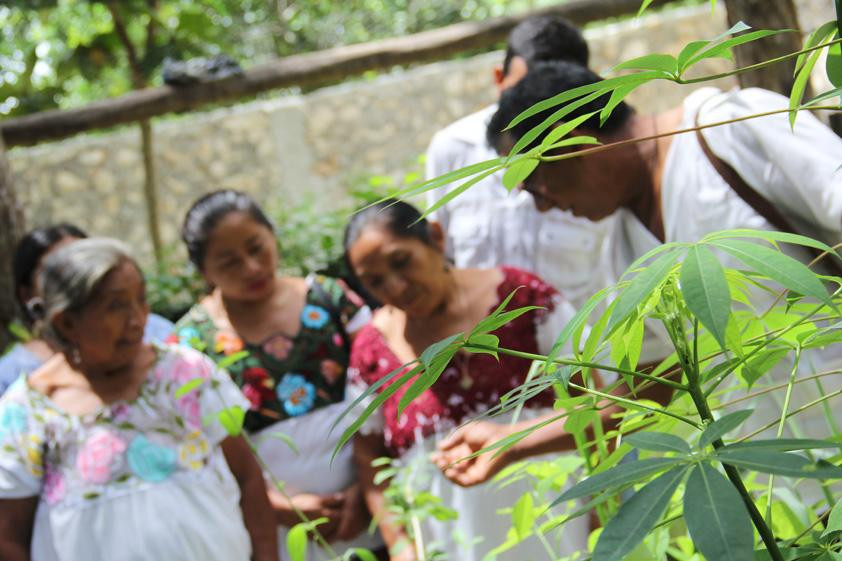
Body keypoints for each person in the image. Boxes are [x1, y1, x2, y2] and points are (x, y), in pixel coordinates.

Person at [437, 59, 842, 488]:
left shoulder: (730, 126)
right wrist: (513, 440)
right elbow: (649, 388)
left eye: (533, 186)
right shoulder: (620, 251)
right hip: (789, 481)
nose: (542, 207)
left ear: (572, 146)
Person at [0, 237, 278, 561]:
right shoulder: (29, 410)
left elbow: (247, 478)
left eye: (141, 299)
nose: (137, 320)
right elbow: (9, 537)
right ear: (68, 321)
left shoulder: (184, 372)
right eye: (116, 306)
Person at [343, 199, 589, 561]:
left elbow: (593, 405)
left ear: (436, 238)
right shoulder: (371, 351)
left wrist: (603, 503)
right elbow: (368, 458)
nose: (395, 287)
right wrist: (400, 545)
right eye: (374, 282)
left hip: (562, 531)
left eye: (401, 262)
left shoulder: (521, 299)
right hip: (452, 546)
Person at [173, 190, 382, 560]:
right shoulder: (190, 346)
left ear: (272, 234)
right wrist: (275, 505)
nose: (252, 267)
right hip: (279, 536)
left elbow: (385, 383)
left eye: (257, 248)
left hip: (373, 504)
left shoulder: (330, 299)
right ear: (204, 272)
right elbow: (196, 447)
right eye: (229, 262)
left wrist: (366, 487)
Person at [425, 15, 612, 308]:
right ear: (499, 78)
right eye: (523, 91)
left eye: (551, 99)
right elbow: (441, 259)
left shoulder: (599, 150)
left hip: (578, 349)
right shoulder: (452, 148)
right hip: (488, 346)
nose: (530, 112)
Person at [0, 224, 174, 396]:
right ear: (66, 323)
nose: (136, 320)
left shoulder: (169, 350)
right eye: (62, 269)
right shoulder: (23, 399)